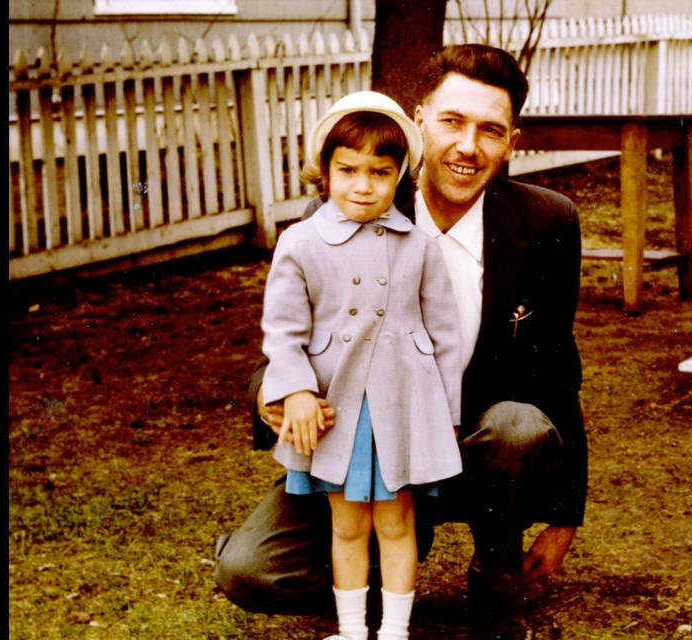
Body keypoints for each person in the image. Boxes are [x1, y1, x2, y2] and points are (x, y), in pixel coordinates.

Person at [215, 44, 587, 640]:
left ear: (511, 141)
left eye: (490, 130)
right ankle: (395, 553)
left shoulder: (548, 223)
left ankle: (493, 577)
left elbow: (557, 373)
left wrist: (567, 512)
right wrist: (281, 397)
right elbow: (284, 347)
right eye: (452, 122)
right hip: (361, 444)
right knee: (250, 573)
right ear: (418, 121)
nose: (468, 146)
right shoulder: (347, 208)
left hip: (469, 446)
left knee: (520, 425)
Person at [257, 90, 464, 640]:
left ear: (401, 176)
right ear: (323, 170)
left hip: (404, 406)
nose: (363, 184)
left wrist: (446, 417)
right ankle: (352, 631)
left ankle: (394, 632)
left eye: (380, 171)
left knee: (397, 520)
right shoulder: (299, 243)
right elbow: (283, 331)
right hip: (336, 408)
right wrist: (295, 390)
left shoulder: (420, 246)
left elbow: (444, 336)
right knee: (346, 524)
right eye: (348, 169)